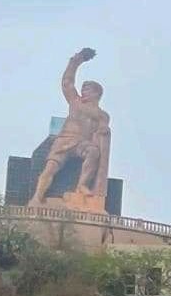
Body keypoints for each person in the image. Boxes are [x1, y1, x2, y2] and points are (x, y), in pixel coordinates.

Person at [30, 48, 111, 205]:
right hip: (65, 139)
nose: (83, 92)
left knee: (93, 152)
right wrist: (75, 61)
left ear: (96, 93)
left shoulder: (102, 115)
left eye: (87, 90)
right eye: (82, 89)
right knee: (50, 168)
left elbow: (103, 130)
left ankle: (81, 186)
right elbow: (67, 82)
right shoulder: (76, 102)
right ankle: (36, 197)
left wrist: (104, 130)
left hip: (82, 143)